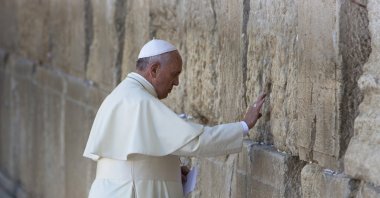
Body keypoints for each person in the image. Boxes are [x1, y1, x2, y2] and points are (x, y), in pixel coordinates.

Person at [83, 39, 266, 198]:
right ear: (154, 70)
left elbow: (132, 160)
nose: (177, 83)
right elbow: (196, 141)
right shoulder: (141, 102)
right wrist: (243, 126)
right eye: (174, 74)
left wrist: (168, 170)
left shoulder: (123, 95)